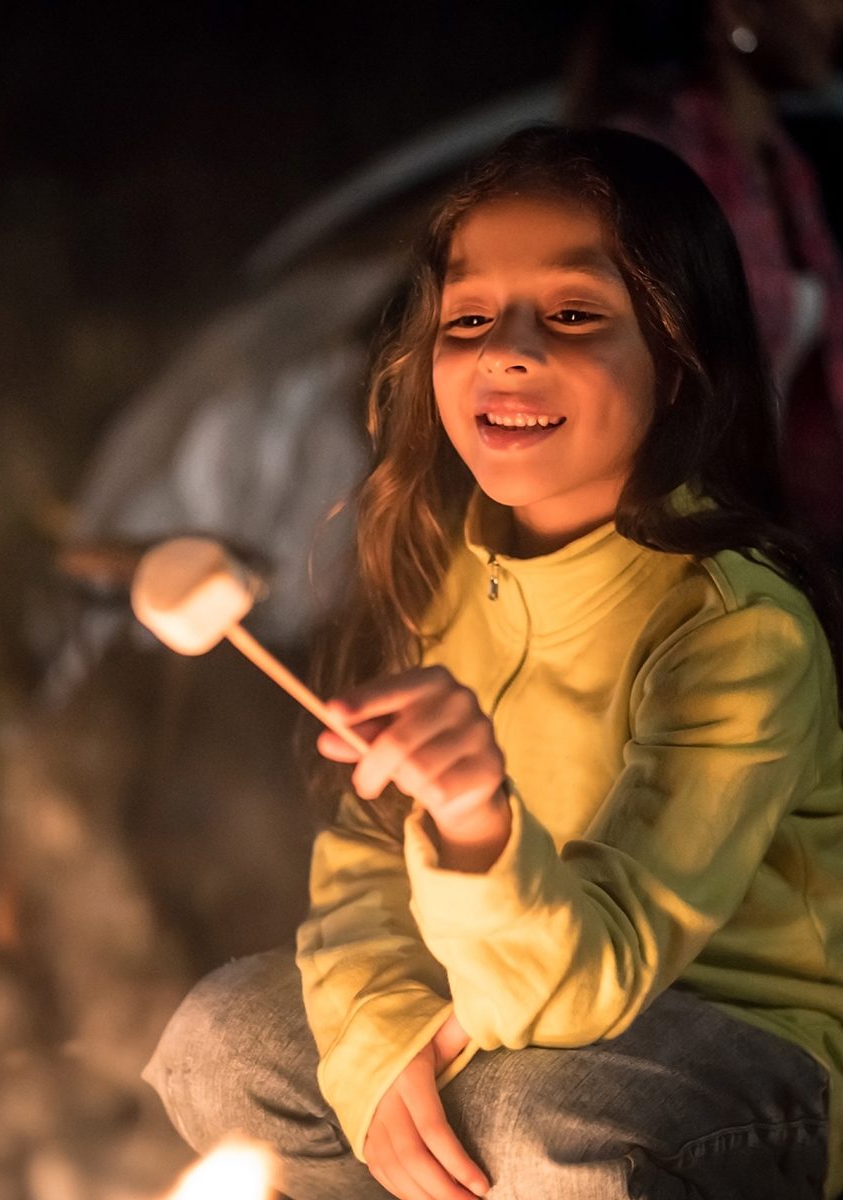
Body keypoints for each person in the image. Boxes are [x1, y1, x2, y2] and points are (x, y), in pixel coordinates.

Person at [143, 126, 843, 1200]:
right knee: (220, 1042)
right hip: (498, 1005)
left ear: (678, 353)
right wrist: (380, 1047)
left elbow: (595, 978)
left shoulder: (740, 628)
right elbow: (366, 856)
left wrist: (476, 827)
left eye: (571, 314)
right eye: (467, 317)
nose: (504, 352)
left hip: (736, 1056)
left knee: (536, 1123)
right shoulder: (447, 565)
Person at [568, 0, 843, 560]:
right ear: (732, 9)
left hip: (771, 528)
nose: (832, 17)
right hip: (671, 540)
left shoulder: (783, 167)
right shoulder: (652, 158)